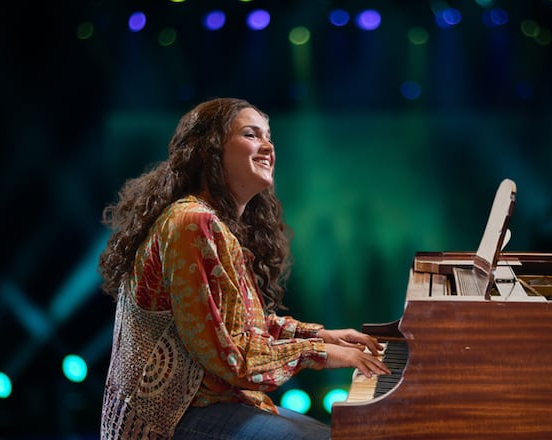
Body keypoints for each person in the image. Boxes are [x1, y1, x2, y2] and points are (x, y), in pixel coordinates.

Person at [97, 97, 390, 440]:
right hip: (169, 420)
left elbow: (241, 327)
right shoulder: (191, 222)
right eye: (251, 135)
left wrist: (322, 336)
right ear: (209, 150)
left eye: (269, 137)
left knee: (336, 433)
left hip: (205, 407)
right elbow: (229, 355)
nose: (268, 147)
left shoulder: (210, 223)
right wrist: (320, 352)